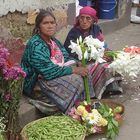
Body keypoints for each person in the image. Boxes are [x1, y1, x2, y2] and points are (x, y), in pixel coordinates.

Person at [21, 9, 93, 114]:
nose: (50, 26)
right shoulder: (36, 44)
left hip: (53, 72)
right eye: (45, 23)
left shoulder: (53, 40)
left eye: (52, 23)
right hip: (37, 81)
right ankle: (71, 109)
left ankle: (86, 106)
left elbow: (65, 56)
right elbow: (48, 72)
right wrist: (74, 70)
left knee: (85, 72)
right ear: (38, 27)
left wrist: (77, 62)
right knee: (76, 80)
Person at [64, 6, 123, 98]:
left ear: (93, 20)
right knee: (101, 66)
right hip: (79, 60)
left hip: (94, 56)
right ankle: (97, 91)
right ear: (78, 19)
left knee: (113, 61)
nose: (84, 21)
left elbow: (102, 44)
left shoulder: (96, 29)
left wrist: (106, 53)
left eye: (88, 18)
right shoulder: (74, 33)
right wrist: (96, 57)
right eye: (82, 17)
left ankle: (111, 87)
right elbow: (72, 53)